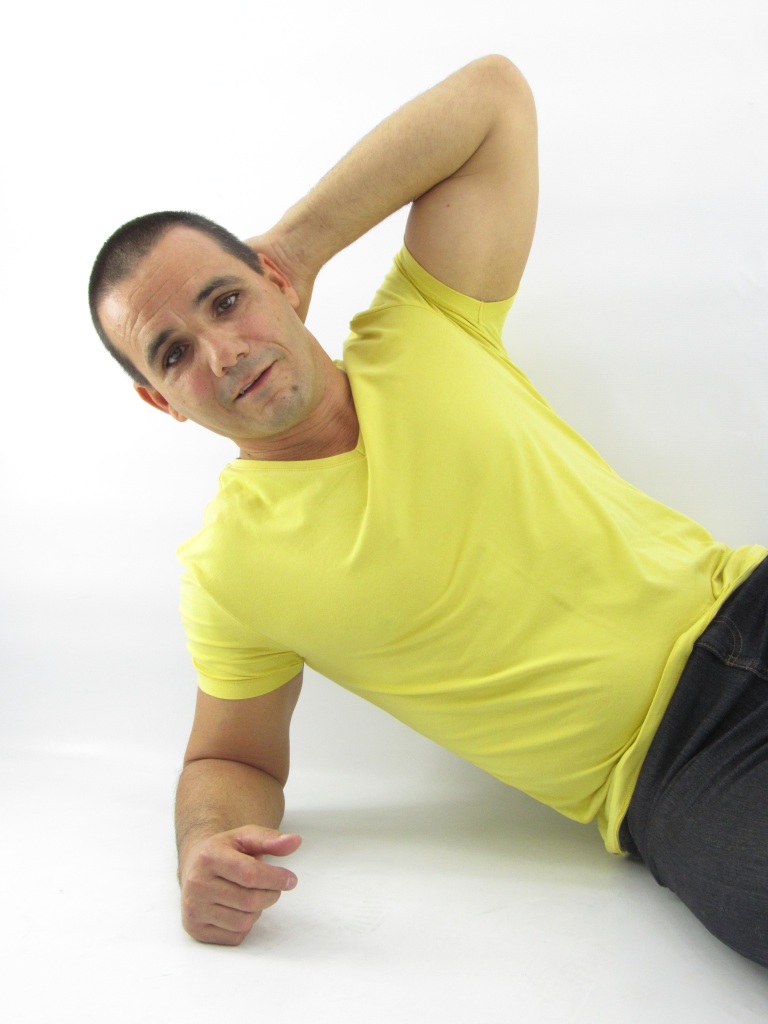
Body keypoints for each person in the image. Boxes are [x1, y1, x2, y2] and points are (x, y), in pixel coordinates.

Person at [89, 55, 768, 963]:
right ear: (159, 401)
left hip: (746, 601)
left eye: (227, 299)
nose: (223, 351)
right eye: (173, 354)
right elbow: (231, 760)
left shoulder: (426, 326)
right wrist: (203, 844)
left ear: (272, 282)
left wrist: (297, 245)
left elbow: (492, 98)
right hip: (673, 772)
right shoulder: (229, 572)